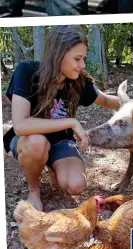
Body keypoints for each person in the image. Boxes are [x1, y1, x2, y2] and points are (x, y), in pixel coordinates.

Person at [3, 25, 120, 211]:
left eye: (84, 59)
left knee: (76, 185)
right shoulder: (27, 72)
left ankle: (52, 165)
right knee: (37, 143)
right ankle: (34, 190)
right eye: (77, 59)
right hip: (29, 139)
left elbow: (105, 100)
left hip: (61, 140)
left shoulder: (79, 82)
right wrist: (72, 122)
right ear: (58, 55)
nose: (82, 65)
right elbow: (20, 125)